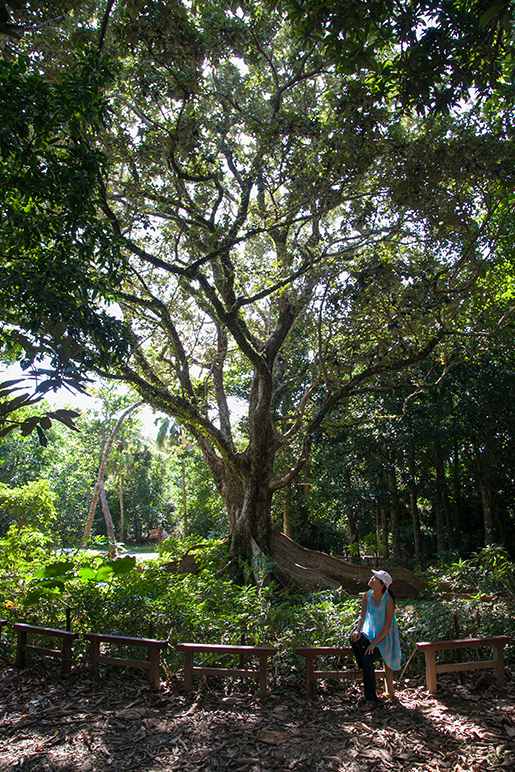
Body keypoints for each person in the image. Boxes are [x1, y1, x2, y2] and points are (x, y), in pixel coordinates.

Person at [349, 569, 401, 710]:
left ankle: (371, 701)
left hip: (384, 640)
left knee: (368, 659)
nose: (372, 579)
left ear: (382, 585)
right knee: (354, 639)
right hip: (370, 635)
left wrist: (374, 644)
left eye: (375, 578)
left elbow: (387, 626)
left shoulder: (388, 600)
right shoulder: (367, 595)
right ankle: (360, 666)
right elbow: (362, 616)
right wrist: (358, 631)